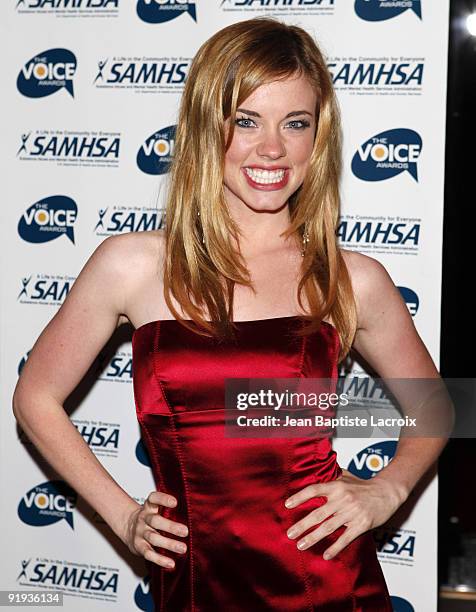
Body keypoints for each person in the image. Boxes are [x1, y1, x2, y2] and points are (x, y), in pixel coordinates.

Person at [12, 17, 448, 611]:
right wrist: (121, 515)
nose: (272, 148)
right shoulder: (132, 264)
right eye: (246, 120)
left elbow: (439, 406)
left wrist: (387, 489)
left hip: (326, 582)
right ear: (203, 128)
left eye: (295, 123)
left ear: (318, 138)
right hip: (194, 583)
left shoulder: (351, 277)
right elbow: (34, 396)